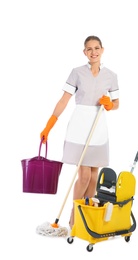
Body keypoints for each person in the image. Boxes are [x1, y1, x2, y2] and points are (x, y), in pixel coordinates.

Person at [40, 35, 119, 229]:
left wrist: (109, 104)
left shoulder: (111, 76)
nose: (94, 52)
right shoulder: (76, 73)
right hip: (79, 126)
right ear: (85, 52)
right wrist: (49, 124)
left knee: (93, 177)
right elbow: (64, 100)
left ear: (102, 50)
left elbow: (117, 103)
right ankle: (74, 216)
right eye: (89, 49)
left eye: (96, 48)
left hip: (98, 127)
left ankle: (85, 217)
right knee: (84, 175)